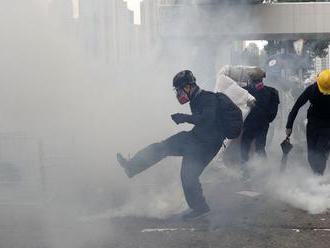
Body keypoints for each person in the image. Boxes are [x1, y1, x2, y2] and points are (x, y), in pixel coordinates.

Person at [116, 70, 225, 220]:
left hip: (208, 144)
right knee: (163, 147)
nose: (179, 93)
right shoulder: (196, 99)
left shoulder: (208, 98)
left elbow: (208, 119)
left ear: (189, 87)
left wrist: (184, 117)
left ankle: (200, 208)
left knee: (188, 175)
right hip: (196, 138)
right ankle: (131, 166)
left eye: (180, 89)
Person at [286, 69, 330, 175]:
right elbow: (296, 107)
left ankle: (318, 176)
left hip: (328, 127)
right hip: (313, 125)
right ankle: (317, 172)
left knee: (320, 152)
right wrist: (289, 125)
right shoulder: (312, 89)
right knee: (311, 155)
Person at [240, 71, 280, 167]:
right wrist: (266, 120)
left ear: (251, 80)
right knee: (260, 147)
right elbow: (273, 112)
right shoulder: (272, 92)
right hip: (262, 124)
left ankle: (246, 168)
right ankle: (262, 169)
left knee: (245, 147)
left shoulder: (244, 91)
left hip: (249, 124)